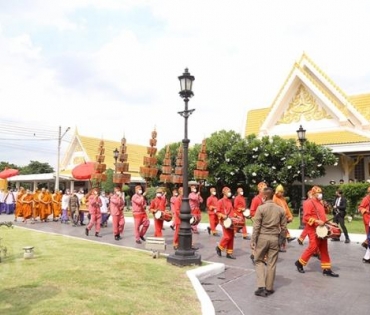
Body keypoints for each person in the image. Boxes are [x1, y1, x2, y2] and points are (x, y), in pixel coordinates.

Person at [295, 186, 339, 277]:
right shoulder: (308, 203)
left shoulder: (320, 203)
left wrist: (330, 223)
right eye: (318, 193)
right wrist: (316, 221)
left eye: (321, 193)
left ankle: (326, 269)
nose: (320, 195)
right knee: (313, 248)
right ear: (313, 194)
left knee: (324, 249)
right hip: (313, 229)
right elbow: (305, 218)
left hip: (322, 230)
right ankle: (300, 263)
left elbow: (322, 216)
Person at [251, 187, 287, 297]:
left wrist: (253, 240)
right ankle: (269, 287)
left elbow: (256, 226)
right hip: (275, 238)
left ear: (265, 196)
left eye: (262, 195)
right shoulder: (280, 209)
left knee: (258, 260)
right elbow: (284, 228)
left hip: (262, 237)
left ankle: (261, 287)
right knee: (272, 263)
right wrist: (281, 241)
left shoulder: (261, 208)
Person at [272, 184, 296, 252]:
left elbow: (286, 208)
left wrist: (290, 216)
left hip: (284, 218)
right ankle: (280, 245)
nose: (282, 193)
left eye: (282, 192)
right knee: (281, 232)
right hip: (278, 219)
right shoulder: (274, 198)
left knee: (283, 232)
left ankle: (282, 244)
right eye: (281, 192)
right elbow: (274, 209)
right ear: (277, 192)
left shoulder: (282, 198)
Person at [215, 187, 236, 259]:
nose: (230, 192)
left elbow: (232, 211)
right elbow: (217, 212)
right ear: (224, 192)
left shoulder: (230, 201)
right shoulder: (220, 201)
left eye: (230, 191)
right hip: (224, 221)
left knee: (231, 236)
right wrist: (223, 216)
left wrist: (235, 216)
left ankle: (229, 253)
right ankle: (219, 247)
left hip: (231, 221)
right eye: (228, 191)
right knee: (227, 237)